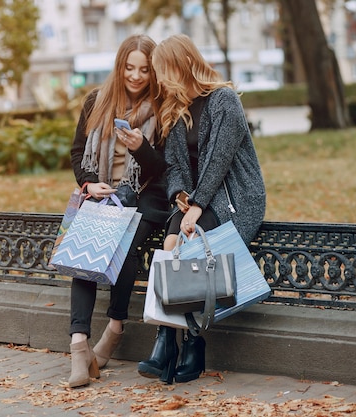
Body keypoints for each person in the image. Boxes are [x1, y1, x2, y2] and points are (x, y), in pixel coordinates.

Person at [137, 34, 266, 384]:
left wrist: (195, 208)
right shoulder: (176, 108)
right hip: (195, 198)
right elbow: (175, 166)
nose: (160, 80)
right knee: (170, 244)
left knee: (189, 242)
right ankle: (169, 338)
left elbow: (219, 162)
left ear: (183, 65)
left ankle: (187, 343)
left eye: (163, 71)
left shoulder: (224, 100)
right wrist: (180, 197)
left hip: (234, 197)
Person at [67, 34, 169, 388]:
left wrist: (141, 147)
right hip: (104, 194)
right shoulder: (97, 101)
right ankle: (78, 345)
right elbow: (78, 152)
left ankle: (114, 326)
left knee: (120, 240)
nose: (136, 76)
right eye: (129, 67)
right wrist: (89, 184)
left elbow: (162, 169)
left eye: (143, 69)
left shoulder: (162, 106)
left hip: (144, 197)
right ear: (119, 65)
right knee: (85, 250)